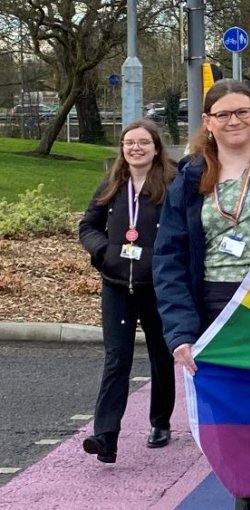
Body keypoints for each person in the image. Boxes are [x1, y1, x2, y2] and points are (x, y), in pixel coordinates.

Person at [153, 79, 250, 510]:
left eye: (244, 112)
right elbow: (167, 259)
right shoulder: (189, 178)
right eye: (223, 115)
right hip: (213, 311)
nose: (235, 122)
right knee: (235, 426)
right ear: (207, 122)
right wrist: (180, 333)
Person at [77, 120, 177, 464]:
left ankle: (160, 421)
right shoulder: (113, 183)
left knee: (161, 356)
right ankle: (105, 437)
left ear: (155, 147)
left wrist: (166, 262)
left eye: (143, 143)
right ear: (122, 148)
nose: (136, 148)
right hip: (118, 284)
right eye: (129, 143)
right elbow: (88, 225)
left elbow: (185, 230)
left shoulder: (171, 181)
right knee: (116, 358)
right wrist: (103, 251)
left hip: (158, 286)